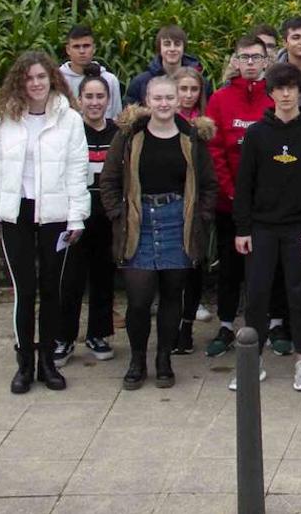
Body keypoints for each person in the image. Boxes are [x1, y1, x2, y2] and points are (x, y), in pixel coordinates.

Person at [0, 52, 90, 393]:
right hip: (16, 212)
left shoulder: (69, 120)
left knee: (51, 290)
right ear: (20, 82)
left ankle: (48, 362)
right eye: (29, 78)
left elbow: (78, 170)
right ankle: (24, 363)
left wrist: (77, 217)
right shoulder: (4, 119)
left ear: (52, 79)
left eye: (41, 76)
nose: (36, 83)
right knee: (24, 291)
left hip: (56, 215)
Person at [101, 76, 217, 390]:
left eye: (169, 98)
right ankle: (138, 358)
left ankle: (164, 358)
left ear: (179, 100)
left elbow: (208, 184)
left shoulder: (192, 137)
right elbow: (109, 180)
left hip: (177, 221)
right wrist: (117, 214)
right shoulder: (129, 136)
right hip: (139, 221)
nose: (164, 104)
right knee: (138, 300)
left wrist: (201, 218)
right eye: (157, 98)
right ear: (147, 101)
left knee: (171, 296)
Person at [233, 63, 301, 391]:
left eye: (292, 87)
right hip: (262, 228)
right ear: (271, 92)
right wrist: (242, 228)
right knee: (258, 294)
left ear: (300, 90)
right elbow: (244, 184)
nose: (287, 93)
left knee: (299, 294)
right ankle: (253, 362)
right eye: (280, 88)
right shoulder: (256, 134)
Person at [204, 35, 279, 358]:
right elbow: (215, 150)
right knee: (230, 266)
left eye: (256, 58)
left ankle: (275, 322)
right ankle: (225, 323)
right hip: (229, 202)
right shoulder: (219, 100)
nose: (250, 63)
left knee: (268, 265)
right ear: (234, 61)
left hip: (269, 204)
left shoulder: (275, 98)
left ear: (266, 62)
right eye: (244, 57)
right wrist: (234, 194)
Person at [55, 67, 119, 367]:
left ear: (108, 99)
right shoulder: (68, 132)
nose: (94, 102)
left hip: (107, 219)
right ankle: (64, 338)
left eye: (100, 96)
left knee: (103, 278)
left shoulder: (118, 134)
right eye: (89, 96)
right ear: (78, 99)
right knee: (69, 280)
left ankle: (98, 334)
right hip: (74, 218)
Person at [126, 25, 208, 105]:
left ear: (184, 47)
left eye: (177, 44)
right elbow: (130, 114)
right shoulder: (141, 82)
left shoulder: (199, 81)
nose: (172, 49)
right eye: (167, 44)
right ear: (159, 47)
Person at [59, 24, 123, 119]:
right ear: (68, 49)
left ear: (94, 48)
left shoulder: (110, 80)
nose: (82, 51)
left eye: (86, 46)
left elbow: (117, 118)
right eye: (76, 46)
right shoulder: (58, 80)